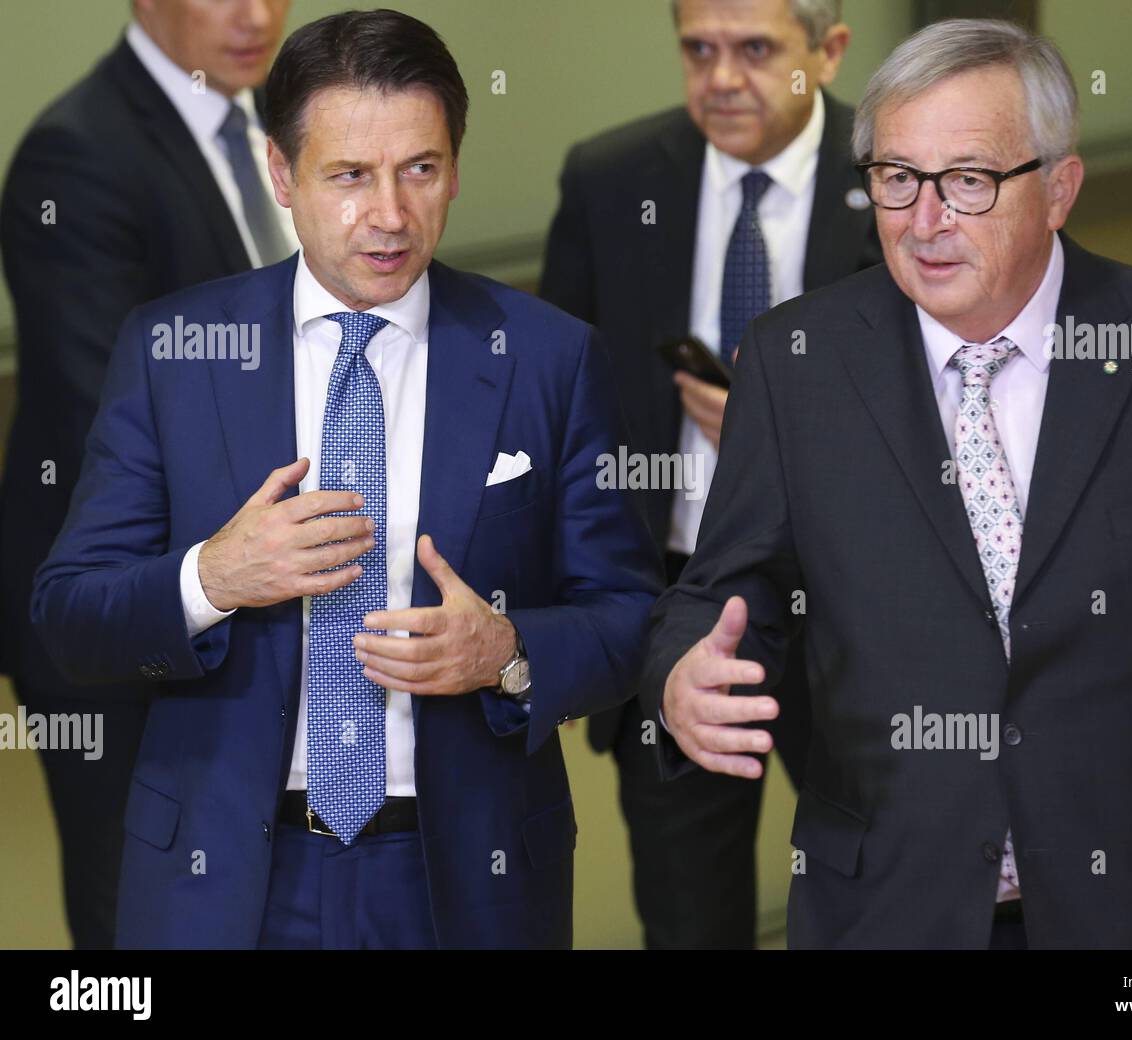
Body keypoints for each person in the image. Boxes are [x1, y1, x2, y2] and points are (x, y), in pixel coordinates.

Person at [640, 17, 1132, 949]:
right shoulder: (797, 361)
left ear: (1059, 188)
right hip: (889, 912)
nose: (924, 220)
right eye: (898, 178)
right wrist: (682, 676)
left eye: (970, 181)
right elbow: (723, 587)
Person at [31, 8, 661, 950]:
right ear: (282, 176)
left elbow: (626, 615)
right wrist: (213, 578)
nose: (391, 216)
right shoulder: (175, 352)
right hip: (227, 874)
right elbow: (70, 618)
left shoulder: (547, 358)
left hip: (467, 881)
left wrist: (508, 652)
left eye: (421, 169)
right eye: (349, 176)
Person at [539, 0, 880, 949]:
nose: (721, 77)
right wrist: (551, 615)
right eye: (699, 49)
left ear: (830, 50)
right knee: (689, 921)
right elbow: (557, 414)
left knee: (883, 902)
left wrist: (785, 426)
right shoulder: (611, 179)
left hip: (857, 606)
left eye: (756, 50)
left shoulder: (896, 177)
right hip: (678, 605)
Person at [0, 0, 293, 949]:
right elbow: (117, 423)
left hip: (255, 590)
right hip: (124, 610)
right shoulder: (76, 155)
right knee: (144, 914)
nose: (257, 15)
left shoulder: (270, 125)